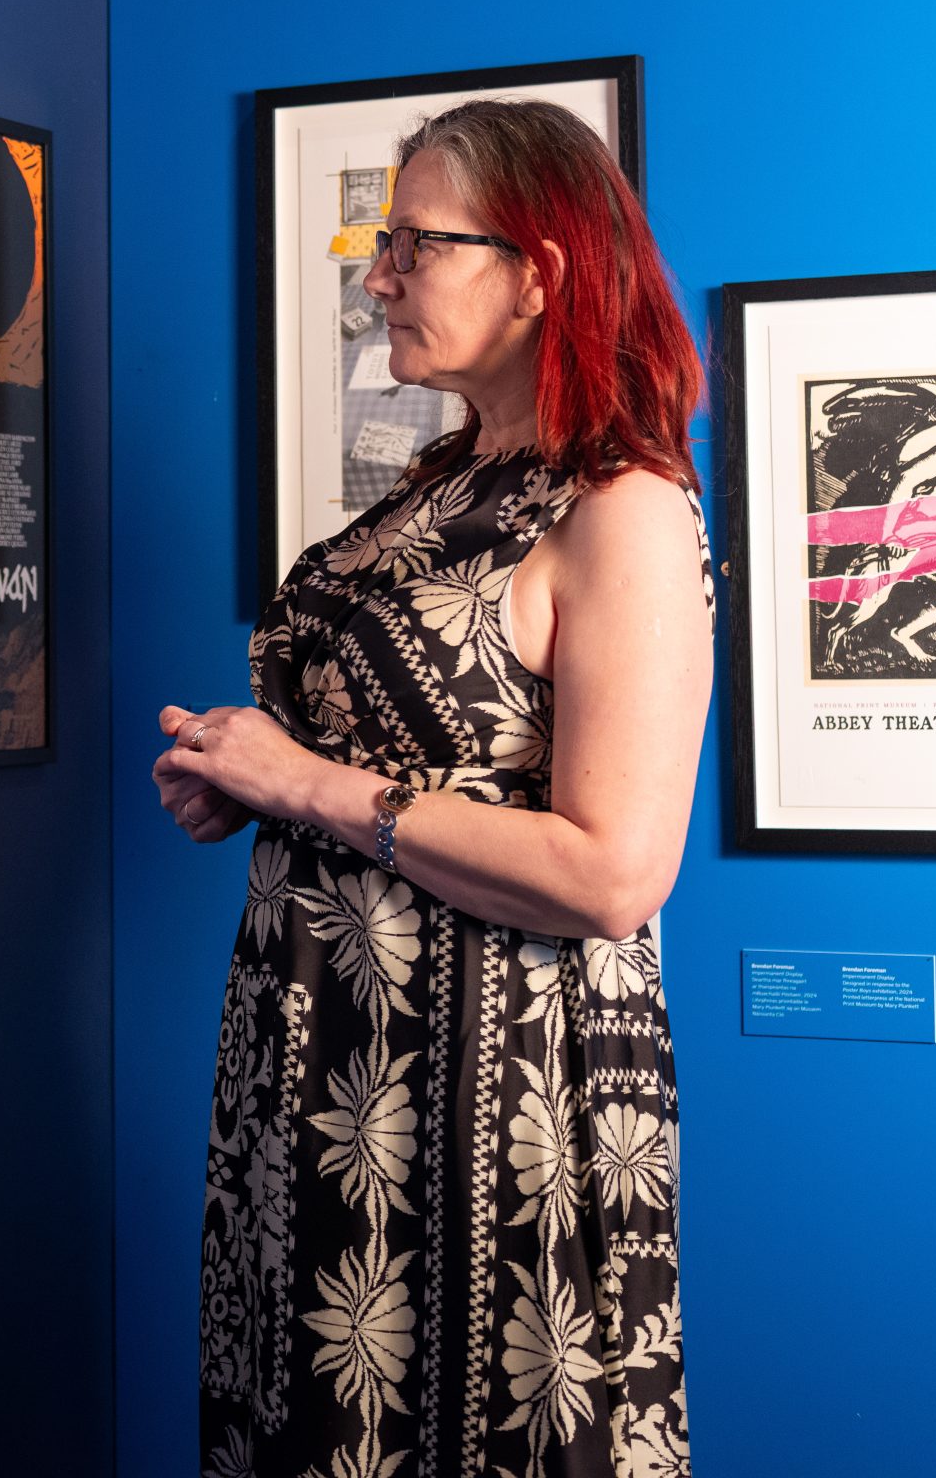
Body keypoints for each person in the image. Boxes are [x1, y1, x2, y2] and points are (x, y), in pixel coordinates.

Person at [155, 100, 710, 1477]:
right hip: (323, 1072)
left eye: (415, 243)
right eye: (380, 243)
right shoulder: (439, 483)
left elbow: (614, 873)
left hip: (488, 1084)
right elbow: (391, 754)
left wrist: (310, 785)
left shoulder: (622, 509)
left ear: (540, 272)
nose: (379, 277)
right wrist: (249, 779)